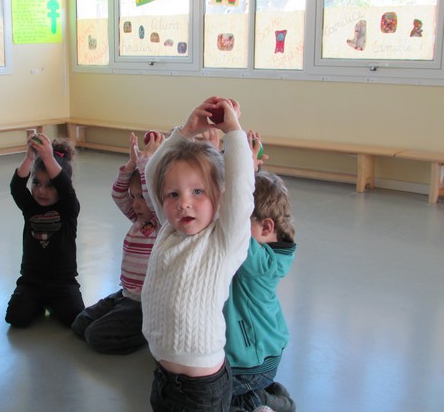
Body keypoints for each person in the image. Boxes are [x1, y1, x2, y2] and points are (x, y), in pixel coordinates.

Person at [142, 96, 255, 411]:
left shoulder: (223, 241)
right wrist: (186, 131)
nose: (184, 203)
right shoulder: (169, 229)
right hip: (163, 379)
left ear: (219, 195)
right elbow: (154, 173)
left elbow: (241, 186)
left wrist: (233, 130)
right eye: (174, 194)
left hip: (202, 389)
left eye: (198, 191)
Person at [71, 131, 164, 354]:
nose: (137, 204)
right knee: (80, 325)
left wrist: (145, 163)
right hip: (126, 295)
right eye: (134, 197)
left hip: (144, 305)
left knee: (96, 337)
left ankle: (147, 331)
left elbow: (153, 197)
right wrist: (132, 164)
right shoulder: (139, 221)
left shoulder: (161, 223)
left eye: (141, 197)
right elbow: (118, 195)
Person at [225, 167, 297, 412]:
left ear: (266, 228)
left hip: (248, 365)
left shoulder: (259, 263)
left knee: (216, 400)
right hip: (257, 358)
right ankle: (263, 393)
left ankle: (264, 401)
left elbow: (234, 223)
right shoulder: (265, 252)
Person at [5, 132, 85, 328]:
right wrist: (30, 158)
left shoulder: (68, 208)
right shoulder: (30, 206)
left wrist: (48, 158)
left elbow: (65, 187)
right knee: (15, 318)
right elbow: (16, 186)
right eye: (37, 183)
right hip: (31, 281)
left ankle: (52, 302)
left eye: (50, 185)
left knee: (75, 318)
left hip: (63, 282)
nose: (41, 191)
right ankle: (38, 303)